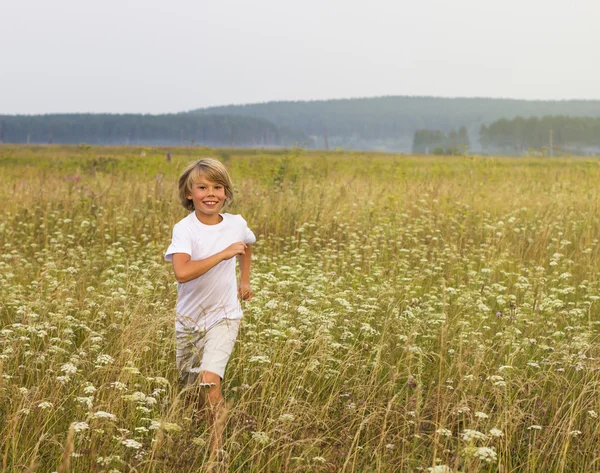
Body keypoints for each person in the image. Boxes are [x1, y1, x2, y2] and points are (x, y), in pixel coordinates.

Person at [165, 158, 255, 455]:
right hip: (189, 321)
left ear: (226, 193)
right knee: (191, 389)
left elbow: (247, 245)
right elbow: (182, 271)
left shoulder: (236, 224)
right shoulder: (185, 229)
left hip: (225, 317)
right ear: (189, 194)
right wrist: (223, 253)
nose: (211, 193)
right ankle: (197, 433)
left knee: (208, 381)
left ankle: (217, 451)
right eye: (202, 187)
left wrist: (244, 281)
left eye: (218, 187)